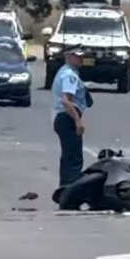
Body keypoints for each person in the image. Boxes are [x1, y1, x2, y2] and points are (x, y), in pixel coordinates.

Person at [51, 46, 94, 187]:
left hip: (62, 118)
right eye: (77, 56)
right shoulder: (69, 75)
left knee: (68, 156)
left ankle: (65, 188)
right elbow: (66, 100)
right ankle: (71, 189)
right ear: (68, 57)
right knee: (74, 158)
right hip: (67, 118)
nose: (81, 59)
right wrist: (78, 121)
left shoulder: (64, 72)